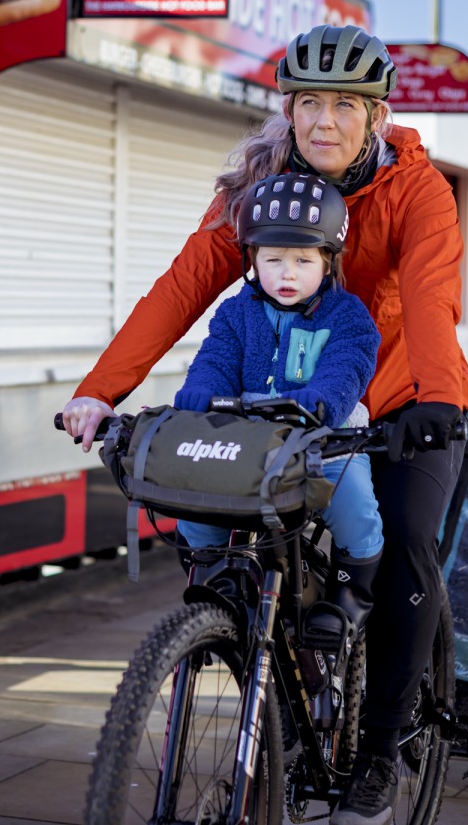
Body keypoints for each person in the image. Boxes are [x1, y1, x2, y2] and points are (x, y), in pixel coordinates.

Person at [63, 24, 468, 825]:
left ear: (376, 115)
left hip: (392, 407)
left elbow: (430, 302)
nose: (324, 121)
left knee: (407, 547)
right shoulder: (265, 187)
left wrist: (440, 407)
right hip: (280, 414)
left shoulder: (417, 190)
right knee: (223, 526)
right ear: (288, 110)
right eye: (308, 103)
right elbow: (181, 289)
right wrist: (99, 392)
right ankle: (266, 671)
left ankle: (381, 751)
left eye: (344, 106)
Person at [171, 172, 383, 649]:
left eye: (303, 261)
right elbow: (216, 361)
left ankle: (351, 596)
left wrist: (324, 398)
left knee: (354, 504)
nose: (288, 273)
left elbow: (348, 366)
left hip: (326, 442)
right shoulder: (235, 313)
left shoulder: (347, 316)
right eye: (273, 260)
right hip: (249, 444)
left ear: (328, 263)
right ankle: (214, 577)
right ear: (252, 260)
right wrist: (200, 391)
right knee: (197, 496)